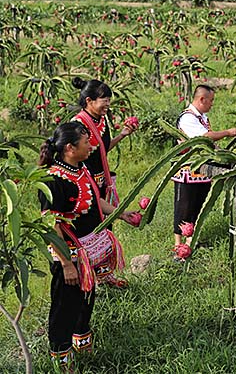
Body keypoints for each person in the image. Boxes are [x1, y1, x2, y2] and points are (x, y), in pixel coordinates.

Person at [38, 122, 139, 372]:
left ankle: (82, 343)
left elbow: (96, 203)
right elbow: (52, 225)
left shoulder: (81, 168)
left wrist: (121, 213)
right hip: (70, 255)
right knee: (64, 306)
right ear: (70, 148)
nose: (91, 145)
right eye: (86, 142)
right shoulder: (53, 180)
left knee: (86, 298)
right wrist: (67, 264)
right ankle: (61, 358)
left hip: (88, 252)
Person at [72, 77, 137, 288]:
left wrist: (122, 135)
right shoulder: (78, 125)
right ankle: (88, 276)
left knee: (105, 226)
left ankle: (104, 275)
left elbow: (102, 148)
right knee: (90, 226)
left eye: (109, 100)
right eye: (104, 101)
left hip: (101, 181)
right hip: (85, 184)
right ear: (89, 100)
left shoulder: (101, 120)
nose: (107, 105)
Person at [172, 85, 236, 259]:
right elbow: (204, 137)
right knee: (184, 206)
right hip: (187, 170)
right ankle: (178, 247)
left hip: (202, 169)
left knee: (199, 204)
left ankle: (191, 242)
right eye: (211, 100)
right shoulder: (187, 118)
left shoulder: (202, 117)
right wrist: (228, 132)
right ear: (202, 99)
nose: (212, 104)